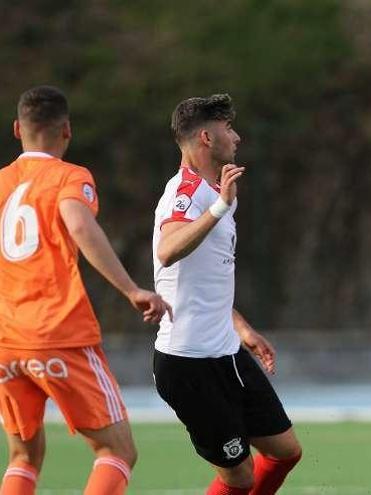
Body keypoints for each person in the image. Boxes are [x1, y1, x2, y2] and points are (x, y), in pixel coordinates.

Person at [0, 85, 172, 495]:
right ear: (67, 131)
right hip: (57, 331)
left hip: (6, 338)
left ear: (16, 130)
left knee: (23, 456)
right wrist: (131, 289)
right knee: (116, 451)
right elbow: (78, 224)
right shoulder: (69, 177)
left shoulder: (2, 182)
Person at [151, 94, 302, 495]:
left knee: (285, 452)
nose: (237, 137)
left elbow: (208, 278)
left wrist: (243, 329)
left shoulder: (214, 191)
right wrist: (219, 207)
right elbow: (167, 250)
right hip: (188, 363)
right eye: (228, 129)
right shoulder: (186, 192)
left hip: (226, 351)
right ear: (205, 137)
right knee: (239, 476)